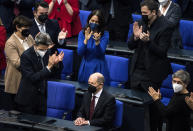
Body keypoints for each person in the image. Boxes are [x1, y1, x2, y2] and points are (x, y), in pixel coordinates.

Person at [128, 0, 172, 130]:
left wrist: (148, 42)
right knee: (135, 106)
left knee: (152, 109)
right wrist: (135, 37)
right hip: (137, 71)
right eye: (141, 12)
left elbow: (162, 52)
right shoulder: (141, 23)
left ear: (154, 12)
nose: (142, 15)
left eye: (145, 13)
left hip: (152, 74)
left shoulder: (165, 26)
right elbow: (130, 46)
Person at [15, 32, 64, 115]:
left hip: (42, 98)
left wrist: (56, 64)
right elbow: (32, 78)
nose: (44, 51)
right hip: (27, 99)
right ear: (35, 44)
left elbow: (56, 73)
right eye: (41, 49)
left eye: (46, 49)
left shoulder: (48, 51)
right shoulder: (26, 56)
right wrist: (49, 67)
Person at [4, 15, 34, 110]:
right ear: (17, 27)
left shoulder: (29, 37)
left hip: (29, 80)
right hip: (16, 81)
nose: (28, 29)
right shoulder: (10, 42)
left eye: (29, 27)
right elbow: (17, 63)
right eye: (26, 27)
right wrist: (33, 59)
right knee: (17, 111)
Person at [77, 10, 109, 84]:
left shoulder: (105, 34)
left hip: (99, 66)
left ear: (100, 23)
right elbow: (80, 52)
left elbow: (101, 53)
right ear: (89, 20)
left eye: (96, 22)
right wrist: (86, 40)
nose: (94, 23)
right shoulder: (82, 33)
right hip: (85, 66)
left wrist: (97, 42)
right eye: (92, 20)